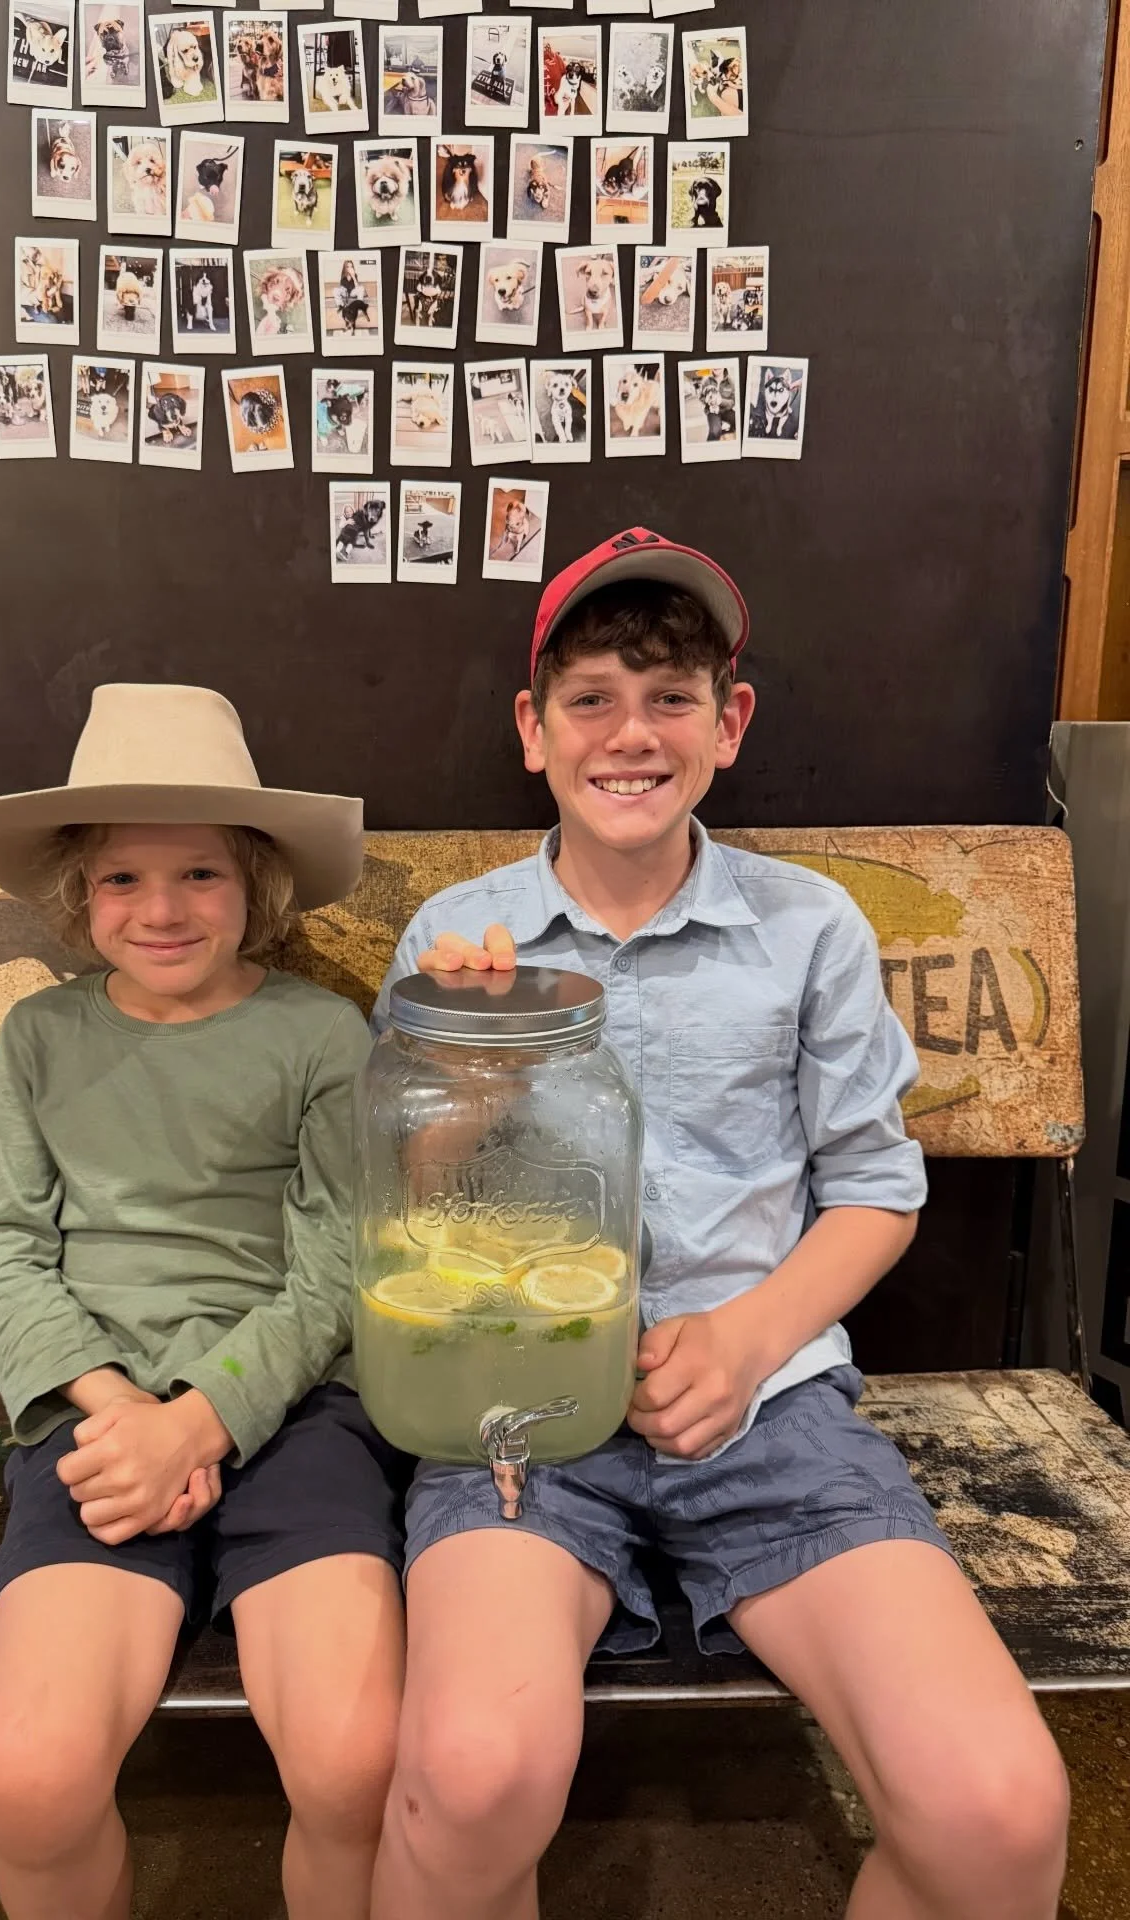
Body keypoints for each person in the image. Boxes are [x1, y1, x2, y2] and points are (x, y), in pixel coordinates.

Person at [368, 530, 1070, 1920]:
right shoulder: (461, 938)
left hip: (773, 1409)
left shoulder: (804, 928)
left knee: (999, 1808)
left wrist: (747, 1343)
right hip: (514, 1404)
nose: (631, 734)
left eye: (672, 695)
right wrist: (465, 1058)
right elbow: (411, 1215)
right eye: (591, 698)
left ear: (728, 724)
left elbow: (877, 1188)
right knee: (472, 1770)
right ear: (534, 730)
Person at [0, 684, 407, 1920]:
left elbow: (340, 1267)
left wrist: (196, 1423)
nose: (162, 908)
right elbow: (9, 1253)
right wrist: (117, 1415)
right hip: (92, 1424)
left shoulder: (320, 1034)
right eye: (123, 879)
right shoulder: (39, 1036)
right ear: (78, 897)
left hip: (294, 1408)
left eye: (199, 873)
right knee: (30, 1779)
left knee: (356, 1767)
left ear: (256, 883)